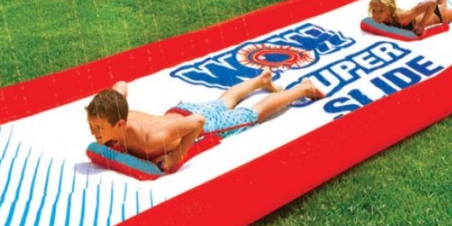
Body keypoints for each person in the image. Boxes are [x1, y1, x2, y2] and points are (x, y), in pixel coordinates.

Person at [86, 69, 325, 172]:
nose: (94, 133)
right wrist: (105, 101)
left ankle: (303, 89)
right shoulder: (116, 109)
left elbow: (198, 122)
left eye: (98, 129)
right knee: (222, 102)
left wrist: (176, 156)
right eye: (93, 127)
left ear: (119, 125)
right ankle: (260, 81)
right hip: (180, 111)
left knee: (254, 115)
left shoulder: (151, 141)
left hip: (197, 123)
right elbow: (121, 85)